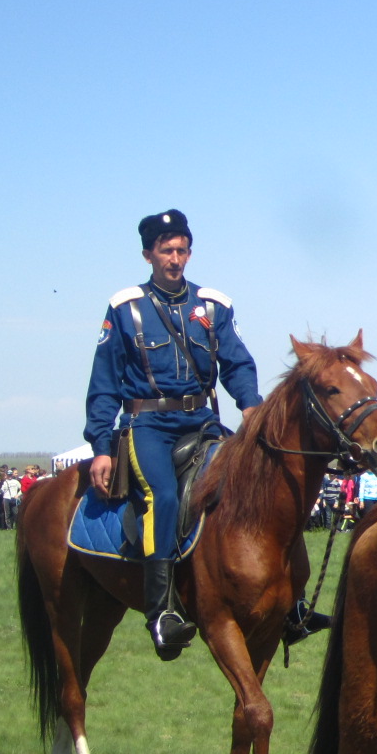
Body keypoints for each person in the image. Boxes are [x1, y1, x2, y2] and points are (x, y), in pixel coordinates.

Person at [84, 209, 263, 660]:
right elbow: (103, 382)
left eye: (182, 249)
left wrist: (252, 407)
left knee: (252, 482)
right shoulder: (125, 308)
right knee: (162, 496)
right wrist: (101, 447)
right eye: (166, 250)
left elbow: (237, 364)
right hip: (147, 424)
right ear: (148, 254)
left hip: (201, 421)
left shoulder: (213, 306)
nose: (175, 258)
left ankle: (289, 601)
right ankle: (161, 610)